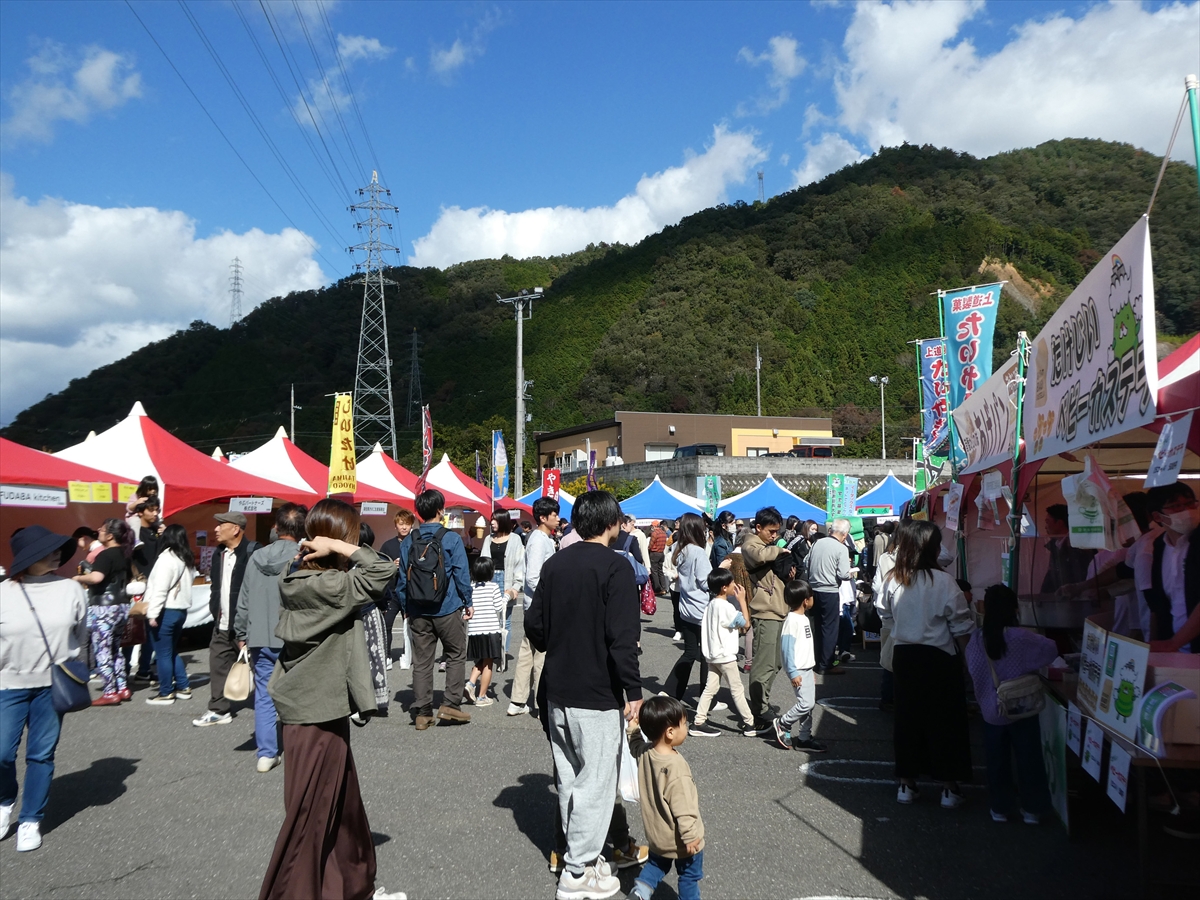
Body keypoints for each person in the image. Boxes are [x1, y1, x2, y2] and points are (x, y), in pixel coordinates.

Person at [258, 499, 404, 900]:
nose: (354, 543)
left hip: (315, 709)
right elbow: (381, 570)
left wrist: (321, 546)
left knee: (342, 810)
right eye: (351, 537)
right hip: (316, 713)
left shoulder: (297, 575)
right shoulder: (332, 586)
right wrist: (338, 547)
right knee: (310, 818)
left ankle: (353, 888)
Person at [525, 490, 642, 900]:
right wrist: (634, 690)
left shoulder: (555, 564)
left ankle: (582, 859)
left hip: (556, 687)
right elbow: (623, 639)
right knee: (595, 783)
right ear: (612, 523)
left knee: (572, 780)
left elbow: (534, 627)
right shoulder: (617, 567)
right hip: (597, 691)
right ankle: (577, 872)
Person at [876, 520, 975, 808]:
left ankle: (906, 784)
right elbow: (961, 625)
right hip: (939, 657)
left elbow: (886, 617)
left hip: (905, 656)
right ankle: (948, 787)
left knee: (907, 720)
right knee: (945, 721)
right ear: (932, 547)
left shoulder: (893, 579)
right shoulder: (944, 581)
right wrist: (971, 664)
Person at [0, 526, 87, 853]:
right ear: (26, 558)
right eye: (46, 550)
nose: (57, 554)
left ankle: (30, 819)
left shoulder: (71, 589)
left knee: (40, 754)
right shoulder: (3, 592)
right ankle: (4, 800)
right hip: (7, 685)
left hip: (53, 686)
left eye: (57, 548)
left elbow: (80, 636)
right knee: (2, 753)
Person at [965, 584, 1057, 823]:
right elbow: (1051, 650)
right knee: (1029, 758)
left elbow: (973, 670)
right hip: (1022, 707)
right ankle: (1033, 809)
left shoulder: (976, 640)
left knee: (996, 761)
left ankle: (1000, 808)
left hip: (991, 710)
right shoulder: (1022, 637)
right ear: (1014, 609)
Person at [233, 504, 307, 771]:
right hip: (295, 635)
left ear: (276, 527)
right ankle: (299, 749)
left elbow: (244, 599)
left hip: (260, 635)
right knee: (297, 693)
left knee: (264, 694)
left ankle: (266, 752)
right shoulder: (304, 557)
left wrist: (240, 633)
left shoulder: (256, 556)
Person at [396, 489, 473, 730]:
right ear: (440, 510)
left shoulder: (409, 540)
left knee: (421, 661)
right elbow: (461, 574)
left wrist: (405, 607)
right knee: (455, 654)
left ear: (418, 512)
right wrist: (467, 601)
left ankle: (422, 712)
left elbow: (402, 579)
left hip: (418, 610)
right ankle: (450, 704)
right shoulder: (450, 539)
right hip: (447, 607)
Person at [626, 696, 705, 900]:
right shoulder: (675, 767)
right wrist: (690, 834)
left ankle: (640, 893)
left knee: (655, 865)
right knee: (688, 876)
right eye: (684, 724)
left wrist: (633, 729)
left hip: (657, 837)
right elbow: (683, 805)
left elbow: (635, 745)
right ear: (670, 732)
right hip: (681, 840)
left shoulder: (646, 753)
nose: (686, 728)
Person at [194, 511, 258, 728]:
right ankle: (218, 709)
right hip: (222, 622)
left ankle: (273, 707)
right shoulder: (218, 554)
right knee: (218, 663)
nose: (216, 529)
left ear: (236, 529)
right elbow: (216, 586)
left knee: (258, 667)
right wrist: (215, 608)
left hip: (247, 624)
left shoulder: (253, 552)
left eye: (222, 525)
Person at [71, 518, 133, 705]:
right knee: (115, 648)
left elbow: (97, 577)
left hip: (104, 606)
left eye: (102, 529)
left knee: (102, 649)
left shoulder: (105, 555)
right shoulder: (125, 553)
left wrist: (78, 577)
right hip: (122, 605)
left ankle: (109, 691)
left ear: (110, 535)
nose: (98, 530)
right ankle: (122, 687)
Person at [508, 497, 558, 717]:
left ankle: (518, 701)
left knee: (528, 653)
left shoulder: (540, 538)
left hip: (534, 605)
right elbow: (533, 577)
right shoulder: (539, 539)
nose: (557, 518)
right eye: (553, 515)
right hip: (539, 606)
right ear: (543, 518)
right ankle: (540, 702)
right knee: (540, 655)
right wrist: (549, 599)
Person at [741, 507, 788, 732]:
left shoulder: (768, 544)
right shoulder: (751, 544)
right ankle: (759, 712)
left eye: (777, 531)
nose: (775, 535)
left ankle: (763, 704)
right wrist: (780, 550)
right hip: (765, 611)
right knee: (763, 665)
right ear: (758, 527)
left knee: (777, 662)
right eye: (771, 531)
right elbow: (759, 556)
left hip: (779, 609)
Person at [692, 570, 754, 736]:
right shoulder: (726, 607)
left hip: (712, 654)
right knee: (737, 689)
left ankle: (699, 721)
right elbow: (746, 624)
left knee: (710, 688)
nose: (735, 585)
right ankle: (750, 723)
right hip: (726, 656)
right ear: (724, 587)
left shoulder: (711, 604)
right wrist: (742, 600)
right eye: (732, 583)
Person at [143, 525, 197, 706]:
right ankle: (183, 686)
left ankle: (166, 692)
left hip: (165, 611)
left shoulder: (167, 559)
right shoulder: (186, 558)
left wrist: (152, 614)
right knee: (170, 651)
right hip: (180, 611)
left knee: (162, 653)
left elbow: (160, 589)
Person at [663, 514, 714, 706]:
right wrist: (722, 570)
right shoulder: (698, 552)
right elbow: (705, 581)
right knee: (706, 655)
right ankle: (706, 697)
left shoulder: (680, 548)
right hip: (701, 608)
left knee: (691, 652)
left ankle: (670, 691)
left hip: (686, 606)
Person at [1141, 483, 1199, 649]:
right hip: (1178, 651)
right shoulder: (1160, 547)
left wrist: (1174, 643)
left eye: (1190, 503)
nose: (1186, 510)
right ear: (1158, 516)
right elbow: (1159, 603)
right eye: (1176, 506)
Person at [773, 580, 827, 753]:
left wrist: (810, 669)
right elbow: (787, 650)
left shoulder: (803, 618)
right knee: (806, 703)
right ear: (805, 600)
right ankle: (783, 722)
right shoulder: (792, 621)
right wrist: (793, 672)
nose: (813, 599)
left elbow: (804, 647)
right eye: (811, 596)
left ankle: (804, 737)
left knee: (809, 706)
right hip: (798, 670)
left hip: (806, 669)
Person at [806, 519, 853, 676]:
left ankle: (817, 661)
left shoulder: (817, 544)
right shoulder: (841, 548)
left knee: (817, 627)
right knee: (830, 629)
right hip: (829, 591)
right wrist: (851, 571)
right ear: (845, 534)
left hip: (813, 590)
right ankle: (827, 664)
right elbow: (843, 574)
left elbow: (806, 562)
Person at [481, 509, 526, 671]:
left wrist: (515, 587)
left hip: (507, 583)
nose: (491, 522)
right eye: (491, 520)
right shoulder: (488, 539)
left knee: (505, 621)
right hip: (490, 582)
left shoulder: (515, 540)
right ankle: (490, 653)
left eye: (495, 520)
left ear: (503, 521)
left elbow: (521, 565)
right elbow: (483, 561)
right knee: (489, 620)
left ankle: (502, 654)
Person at [464, 556, 506, 707]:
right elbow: (499, 608)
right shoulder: (493, 587)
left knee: (480, 660)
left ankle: (470, 684)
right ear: (491, 572)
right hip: (490, 630)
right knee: (488, 664)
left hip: (475, 631)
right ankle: (482, 696)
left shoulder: (470, 587)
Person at [379, 509, 415, 668]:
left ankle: (409, 654)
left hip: (410, 592)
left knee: (411, 625)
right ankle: (386, 655)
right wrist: (390, 565)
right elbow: (379, 567)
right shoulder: (388, 545)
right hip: (392, 592)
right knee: (386, 624)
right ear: (395, 526)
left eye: (407, 524)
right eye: (401, 524)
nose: (404, 527)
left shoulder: (416, 544)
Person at [1040, 504, 1096, 593]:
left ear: (1059, 523)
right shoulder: (1054, 546)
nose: (1045, 527)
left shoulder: (1080, 546)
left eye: (1048, 522)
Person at [648, 520, 668, 597]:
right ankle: (664, 588)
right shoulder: (663, 533)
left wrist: (648, 549)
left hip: (654, 553)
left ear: (654, 526)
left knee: (654, 571)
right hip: (661, 553)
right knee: (660, 571)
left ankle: (657, 588)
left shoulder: (654, 533)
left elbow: (651, 545)